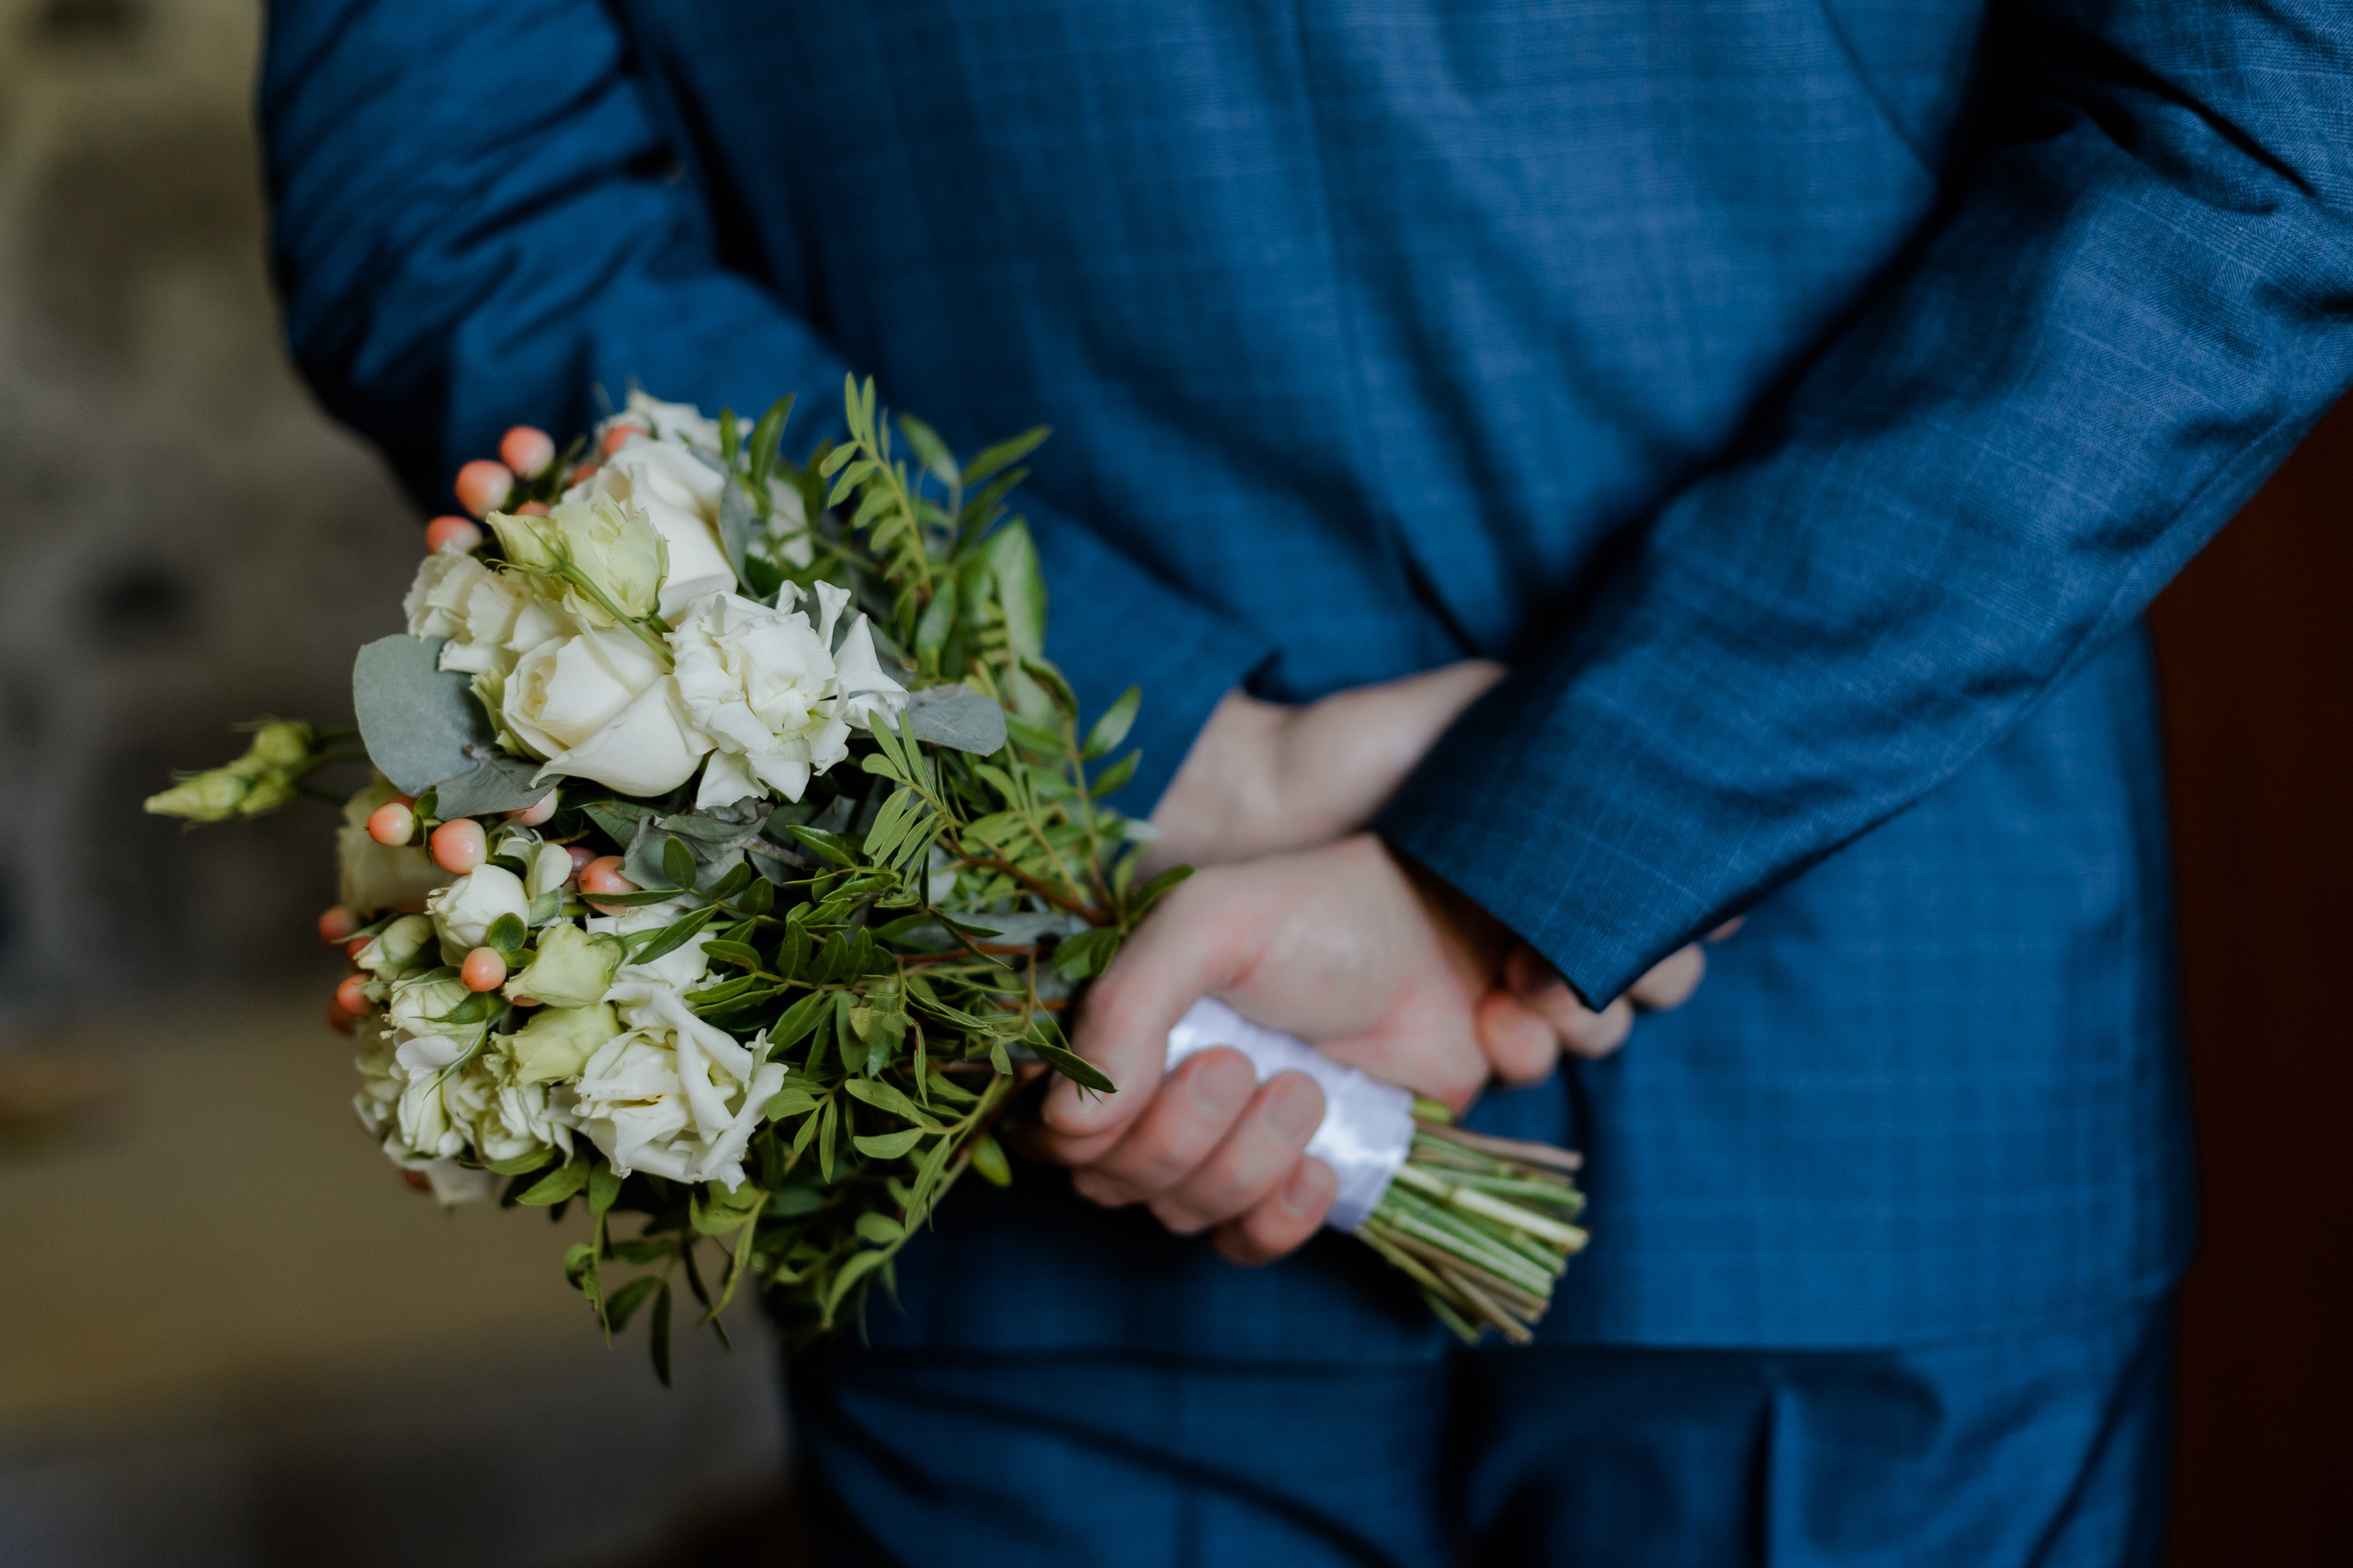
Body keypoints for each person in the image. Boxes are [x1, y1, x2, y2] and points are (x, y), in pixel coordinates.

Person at [260, 4, 2351, 1562]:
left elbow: (452, 208)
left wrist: (1142, 731)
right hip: (1843, 1045)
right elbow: (2268, 124)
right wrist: (1555, 822)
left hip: (1051, 997)